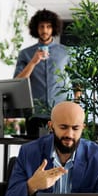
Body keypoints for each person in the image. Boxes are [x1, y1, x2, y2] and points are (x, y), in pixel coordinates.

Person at [14, 8, 70, 136]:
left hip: (60, 113)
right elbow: (18, 82)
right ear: (36, 29)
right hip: (35, 114)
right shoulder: (25, 54)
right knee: (35, 153)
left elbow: (78, 81)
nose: (45, 30)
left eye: (48, 26)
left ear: (53, 28)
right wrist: (33, 62)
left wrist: (76, 107)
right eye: (41, 26)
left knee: (58, 153)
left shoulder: (66, 53)